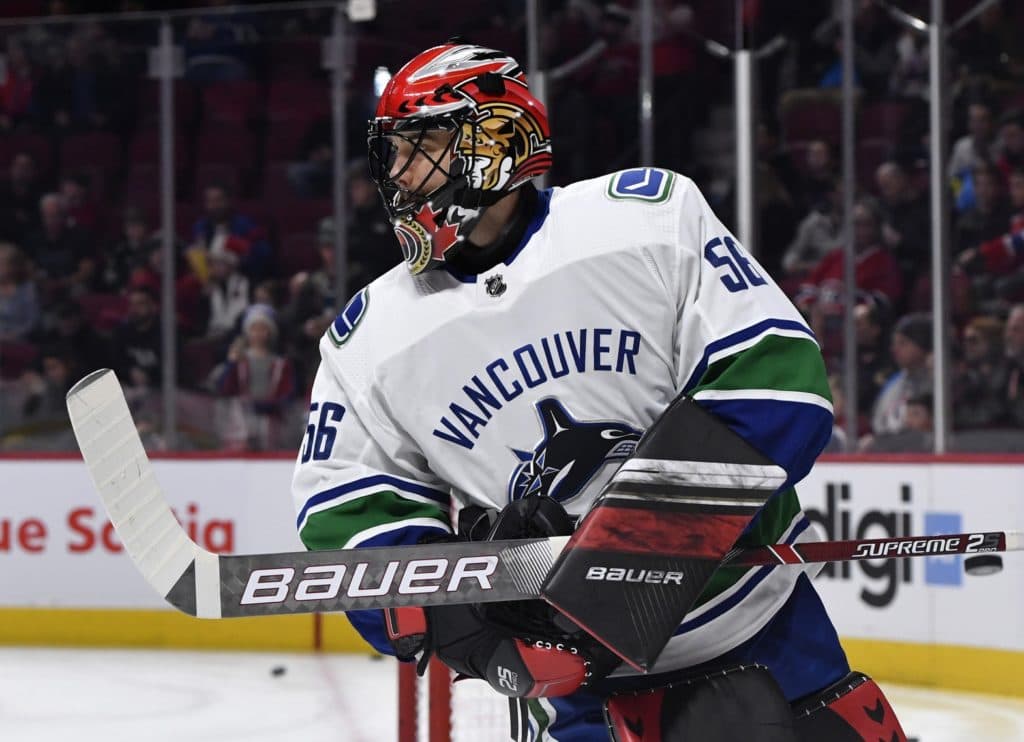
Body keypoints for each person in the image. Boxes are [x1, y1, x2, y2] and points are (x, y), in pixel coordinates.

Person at [291, 42, 906, 741]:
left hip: (763, 636)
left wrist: (608, 574)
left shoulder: (645, 219)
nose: (397, 174)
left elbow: (777, 382)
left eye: (420, 146)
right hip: (579, 695)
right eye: (391, 154)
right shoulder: (367, 340)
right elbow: (347, 511)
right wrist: (473, 623)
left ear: (494, 139)